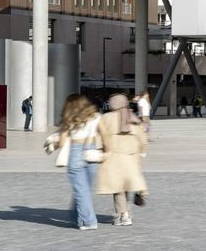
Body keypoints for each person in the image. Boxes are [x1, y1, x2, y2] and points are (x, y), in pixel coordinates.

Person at [46, 94, 104, 230]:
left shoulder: (69, 119)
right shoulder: (96, 117)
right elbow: (104, 133)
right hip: (92, 152)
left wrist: (55, 141)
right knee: (84, 189)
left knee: (81, 190)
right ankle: (75, 217)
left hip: (76, 152)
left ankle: (90, 221)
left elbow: (62, 142)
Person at [93, 94, 149, 226]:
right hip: (132, 156)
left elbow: (100, 136)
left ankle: (123, 214)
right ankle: (126, 212)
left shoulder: (106, 118)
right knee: (128, 185)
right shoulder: (132, 116)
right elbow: (142, 137)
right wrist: (142, 151)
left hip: (114, 156)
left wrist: (100, 150)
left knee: (118, 187)